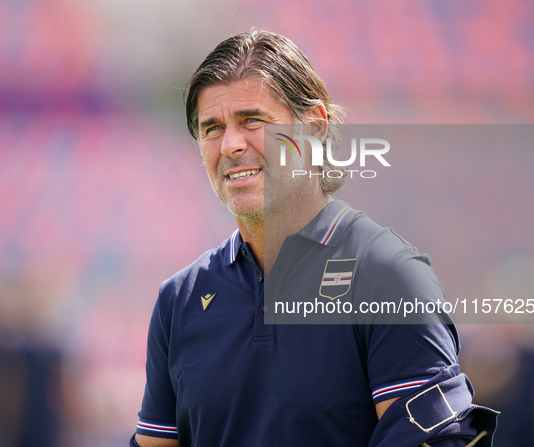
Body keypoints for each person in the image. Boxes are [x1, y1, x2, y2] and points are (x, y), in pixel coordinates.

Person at [131, 29, 498, 447]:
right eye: (212, 128)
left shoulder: (388, 276)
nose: (231, 144)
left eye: (252, 120)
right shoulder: (178, 300)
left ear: (315, 127)